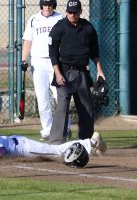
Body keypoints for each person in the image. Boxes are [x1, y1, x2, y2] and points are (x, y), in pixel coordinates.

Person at [48, 0, 106, 146]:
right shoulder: (59, 27)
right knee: (62, 106)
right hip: (64, 72)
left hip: (81, 73)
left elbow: (95, 52)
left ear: (80, 12)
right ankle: (56, 143)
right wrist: (58, 73)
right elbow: (53, 52)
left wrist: (100, 70)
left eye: (75, 12)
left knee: (87, 108)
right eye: (70, 12)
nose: (72, 15)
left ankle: (85, 142)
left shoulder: (88, 28)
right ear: (66, 12)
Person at [21, 0, 71, 140]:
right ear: (41, 5)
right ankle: (47, 129)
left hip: (55, 62)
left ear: (53, 5)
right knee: (42, 99)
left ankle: (65, 127)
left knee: (59, 96)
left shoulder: (61, 18)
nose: (47, 6)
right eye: (45, 4)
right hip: (38, 62)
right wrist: (24, 60)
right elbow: (28, 41)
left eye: (50, 4)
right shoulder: (33, 19)